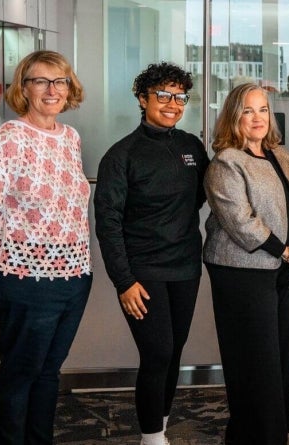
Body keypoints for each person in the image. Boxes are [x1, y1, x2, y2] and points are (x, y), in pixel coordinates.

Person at [0, 50, 91, 444]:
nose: (52, 90)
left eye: (60, 81)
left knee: (50, 372)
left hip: (74, 276)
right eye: (41, 81)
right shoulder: (9, 138)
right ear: (24, 88)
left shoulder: (70, 138)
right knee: (20, 373)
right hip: (25, 278)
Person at [94, 62, 208, 445]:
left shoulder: (191, 146)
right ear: (143, 99)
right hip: (142, 271)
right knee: (157, 353)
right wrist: (123, 281)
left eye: (180, 97)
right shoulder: (121, 155)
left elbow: (203, 197)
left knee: (174, 352)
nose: (173, 104)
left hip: (186, 267)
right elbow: (107, 223)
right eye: (163, 95)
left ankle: (158, 423)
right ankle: (151, 439)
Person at [203, 82, 289, 444]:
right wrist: (287, 252)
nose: (257, 118)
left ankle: (269, 432)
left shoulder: (283, 156)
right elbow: (240, 221)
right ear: (234, 117)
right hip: (240, 273)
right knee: (256, 360)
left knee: (280, 356)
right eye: (248, 111)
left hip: (281, 270)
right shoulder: (226, 161)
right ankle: (257, 435)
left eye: (263, 109)